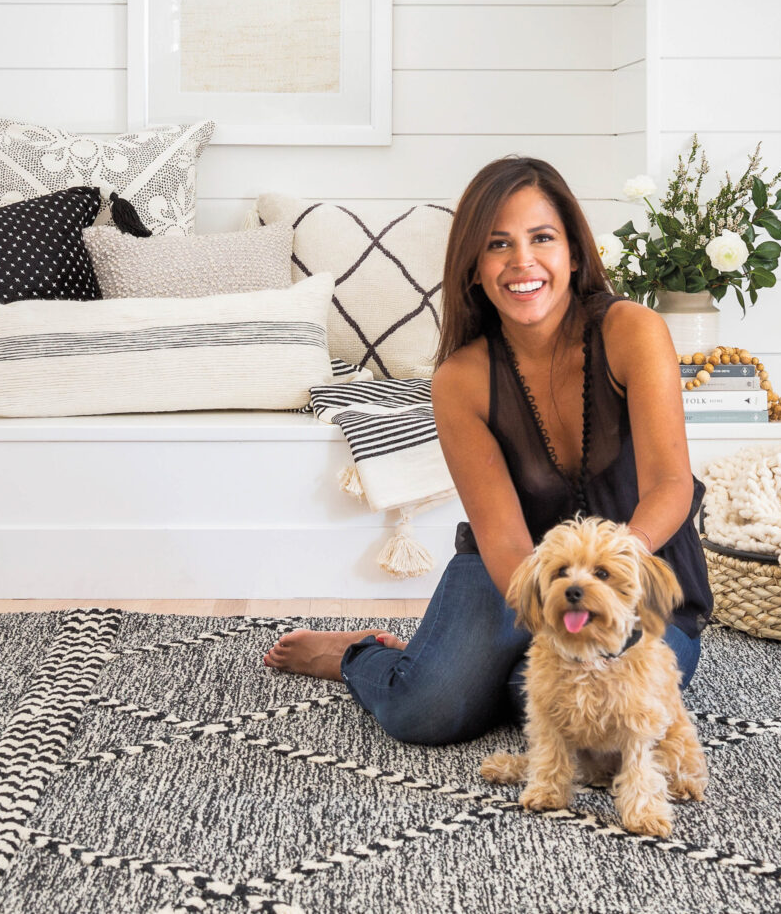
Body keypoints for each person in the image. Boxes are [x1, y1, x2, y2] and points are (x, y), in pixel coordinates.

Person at [263, 156, 713, 744]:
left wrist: (612, 573)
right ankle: (359, 656)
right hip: (516, 573)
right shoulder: (461, 380)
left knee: (588, 725)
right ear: (474, 267)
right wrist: (556, 615)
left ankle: (485, 667)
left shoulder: (633, 330)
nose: (523, 261)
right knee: (423, 711)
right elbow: (504, 539)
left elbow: (671, 485)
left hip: (637, 580)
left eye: (542, 238)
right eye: (499, 244)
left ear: (573, 251)